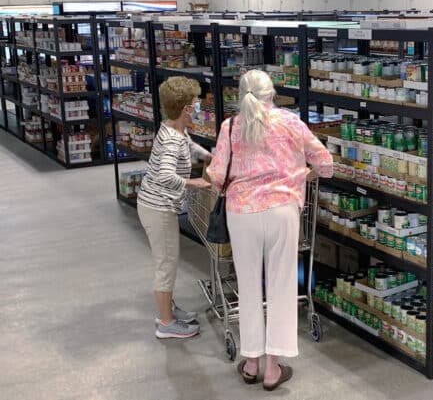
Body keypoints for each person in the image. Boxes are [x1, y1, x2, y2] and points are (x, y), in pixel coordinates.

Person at [207, 70, 333, 390]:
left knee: (248, 286)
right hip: (282, 212)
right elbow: (326, 163)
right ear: (273, 95)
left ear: (241, 95)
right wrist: (301, 174)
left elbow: (217, 176)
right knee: (281, 285)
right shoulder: (290, 122)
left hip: (242, 214)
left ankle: (251, 362)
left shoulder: (230, 126)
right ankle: (274, 368)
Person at [137, 76, 212, 339]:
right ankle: (166, 324)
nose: (198, 106)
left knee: (168, 260)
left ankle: (168, 308)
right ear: (186, 109)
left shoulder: (174, 128)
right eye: (196, 103)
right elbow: (165, 176)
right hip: (158, 209)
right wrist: (196, 183)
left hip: (155, 204)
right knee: (166, 263)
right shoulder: (170, 140)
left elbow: (189, 145)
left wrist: (208, 156)